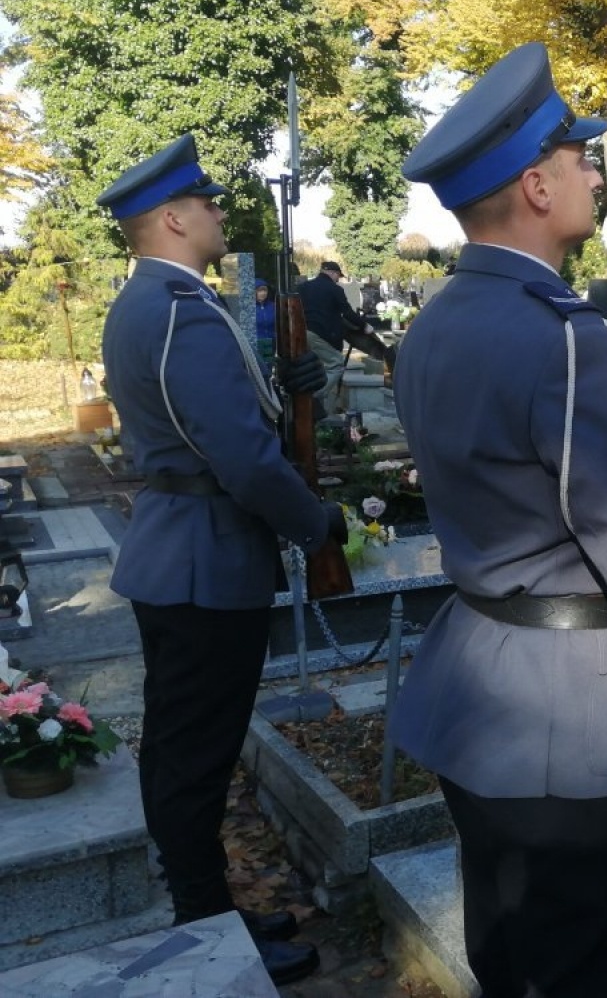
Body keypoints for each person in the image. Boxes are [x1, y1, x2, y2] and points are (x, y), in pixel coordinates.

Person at [394, 42, 607, 998]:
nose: (594, 170)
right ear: (537, 187)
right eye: (580, 157)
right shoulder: (572, 342)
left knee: (511, 960)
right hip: (572, 718)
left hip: (477, 692)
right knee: (583, 968)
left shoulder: (435, 325)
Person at [95, 133, 344, 985]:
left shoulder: (150, 305)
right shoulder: (179, 312)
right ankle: (205, 925)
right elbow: (240, 460)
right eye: (204, 202)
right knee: (195, 756)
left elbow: (230, 425)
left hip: (176, 552)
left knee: (181, 748)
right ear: (171, 219)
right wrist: (318, 525)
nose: (218, 211)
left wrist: (295, 393)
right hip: (205, 563)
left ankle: (208, 904)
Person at [295, 259, 372, 415]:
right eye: (338, 275)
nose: (338, 279)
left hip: (303, 331)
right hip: (322, 334)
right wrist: (364, 326)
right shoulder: (334, 289)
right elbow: (347, 312)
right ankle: (314, 398)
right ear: (332, 272)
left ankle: (321, 409)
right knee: (336, 364)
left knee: (318, 368)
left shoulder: (304, 287)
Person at [253, 279, 276, 370]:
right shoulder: (249, 307)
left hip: (271, 343)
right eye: (259, 290)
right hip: (257, 343)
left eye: (264, 290)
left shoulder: (273, 306)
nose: (263, 293)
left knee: (269, 368)